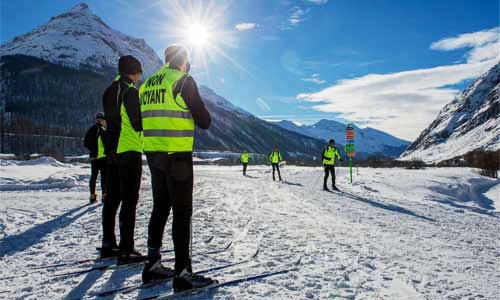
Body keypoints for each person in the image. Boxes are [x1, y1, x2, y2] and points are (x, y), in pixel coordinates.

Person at [139, 45, 214, 292]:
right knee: (182, 213)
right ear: (184, 61)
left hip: (153, 154)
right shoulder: (183, 81)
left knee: (160, 207)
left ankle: (152, 264)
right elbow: (204, 121)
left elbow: (141, 120)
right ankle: (182, 274)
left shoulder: (148, 85)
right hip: (177, 156)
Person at [100, 55, 145, 264]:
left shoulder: (110, 90)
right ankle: (127, 250)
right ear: (133, 72)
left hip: (112, 151)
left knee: (112, 200)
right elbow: (137, 123)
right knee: (129, 201)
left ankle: (108, 244)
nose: (140, 77)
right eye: (139, 73)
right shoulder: (130, 91)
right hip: (129, 150)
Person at [84, 112, 107, 203]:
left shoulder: (90, 130)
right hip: (103, 158)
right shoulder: (102, 131)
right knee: (104, 177)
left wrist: (93, 150)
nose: (105, 122)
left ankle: (92, 196)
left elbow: (85, 143)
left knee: (93, 176)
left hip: (93, 158)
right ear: (101, 120)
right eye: (104, 120)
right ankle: (104, 196)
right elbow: (107, 145)